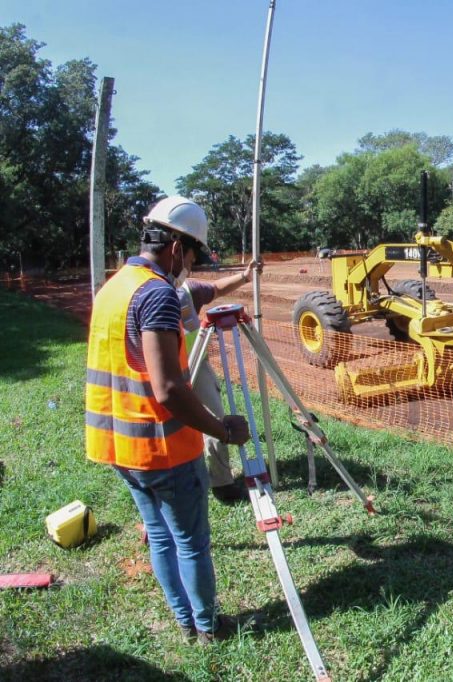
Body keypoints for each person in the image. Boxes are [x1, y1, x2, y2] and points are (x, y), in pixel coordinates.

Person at [85, 196, 251, 644]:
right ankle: (208, 626)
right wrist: (222, 430)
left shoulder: (117, 285)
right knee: (191, 542)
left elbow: (194, 297)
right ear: (177, 247)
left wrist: (240, 277)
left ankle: (184, 623)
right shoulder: (156, 294)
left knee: (161, 538)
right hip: (161, 447)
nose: (190, 266)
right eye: (193, 254)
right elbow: (169, 389)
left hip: (119, 445)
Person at [179, 258, 263, 505]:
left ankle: (222, 483)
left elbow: (214, 288)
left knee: (214, 419)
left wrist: (245, 277)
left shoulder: (187, 289)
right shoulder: (151, 292)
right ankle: (178, 481)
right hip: (165, 370)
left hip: (196, 365)